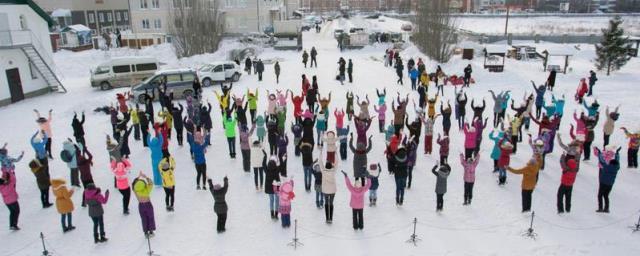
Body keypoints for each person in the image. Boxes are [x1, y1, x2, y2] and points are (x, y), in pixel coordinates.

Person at [318, 147, 337, 223]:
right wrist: (336, 153)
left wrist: (321, 152)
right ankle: (331, 219)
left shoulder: (323, 171)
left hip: (325, 190)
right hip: (332, 190)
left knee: (326, 203)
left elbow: (320, 161)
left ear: (325, 166)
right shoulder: (333, 171)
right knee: (331, 203)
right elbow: (337, 162)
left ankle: (327, 218)